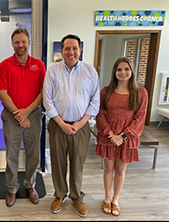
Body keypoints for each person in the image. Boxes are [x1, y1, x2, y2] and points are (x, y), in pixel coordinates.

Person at [43, 34, 100, 217]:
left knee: (77, 163)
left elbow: (95, 101)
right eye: (67, 48)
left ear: (80, 50)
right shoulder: (52, 71)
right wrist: (61, 123)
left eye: (75, 48)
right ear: (61, 51)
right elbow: (47, 100)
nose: (71, 52)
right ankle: (60, 195)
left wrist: (80, 123)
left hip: (81, 127)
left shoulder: (90, 71)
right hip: (57, 125)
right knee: (58, 162)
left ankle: (77, 197)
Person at [0, 28, 46, 207]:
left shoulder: (39, 65)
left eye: (23, 41)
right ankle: (12, 188)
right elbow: (2, 93)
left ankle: (30, 185)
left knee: (33, 154)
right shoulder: (6, 65)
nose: (20, 45)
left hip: (33, 115)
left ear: (29, 43)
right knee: (12, 155)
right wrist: (19, 113)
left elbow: (42, 92)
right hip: (11, 117)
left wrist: (27, 111)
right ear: (12, 44)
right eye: (17, 42)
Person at [95, 57, 148, 216]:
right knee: (108, 168)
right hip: (108, 135)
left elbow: (140, 118)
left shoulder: (140, 92)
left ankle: (115, 200)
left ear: (132, 72)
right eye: (119, 69)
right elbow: (99, 113)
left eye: (126, 69)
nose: (123, 72)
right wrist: (110, 133)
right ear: (114, 72)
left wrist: (122, 136)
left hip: (127, 137)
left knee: (120, 170)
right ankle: (106, 197)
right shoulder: (105, 90)